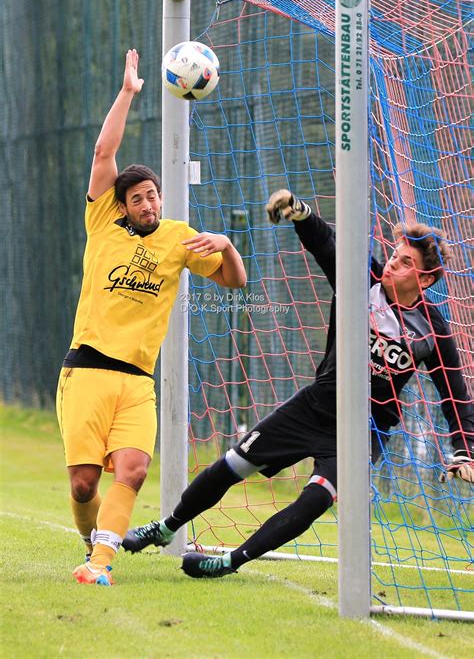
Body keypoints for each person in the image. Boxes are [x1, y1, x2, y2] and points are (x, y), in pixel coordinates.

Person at [122, 188, 473, 579]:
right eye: (393, 255)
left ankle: (229, 562)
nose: (392, 265)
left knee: (315, 500)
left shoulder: (434, 329)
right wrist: (299, 213)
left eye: (405, 262)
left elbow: (454, 395)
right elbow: (326, 244)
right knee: (232, 465)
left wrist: (464, 449)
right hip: (314, 406)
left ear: (425, 279)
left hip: (364, 430)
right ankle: (167, 527)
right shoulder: (362, 281)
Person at [56, 49, 247, 586]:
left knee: (135, 470)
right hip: (88, 369)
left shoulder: (178, 237)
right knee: (84, 486)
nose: (149, 204)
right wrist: (128, 93)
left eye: (154, 195)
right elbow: (102, 153)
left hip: (138, 380)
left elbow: (236, 282)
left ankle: (100, 565)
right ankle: (89, 536)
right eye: (139, 197)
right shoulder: (103, 224)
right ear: (120, 205)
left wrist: (228, 245)